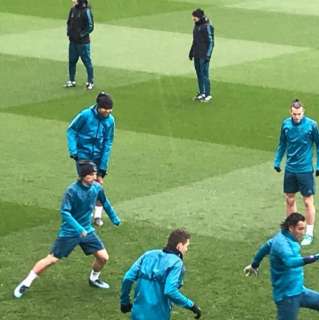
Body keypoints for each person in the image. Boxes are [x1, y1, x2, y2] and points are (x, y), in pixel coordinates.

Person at [13, 161, 121, 298]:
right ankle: (26, 282)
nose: (94, 177)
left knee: (103, 257)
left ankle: (94, 279)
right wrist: (78, 228)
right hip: (70, 232)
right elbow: (65, 212)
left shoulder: (97, 188)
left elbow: (105, 202)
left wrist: (114, 217)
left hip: (87, 230)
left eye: (94, 174)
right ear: (82, 175)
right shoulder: (72, 191)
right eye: (90, 174)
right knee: (52, 259)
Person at [243, 213, 319, 320]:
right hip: (287, 296)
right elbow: (290, 262)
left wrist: (254, 265)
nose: (303, 232)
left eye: (304, 229)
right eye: (300, 229)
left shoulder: (282, 237)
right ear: (291, 228)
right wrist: (316, 257)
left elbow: (265, 248)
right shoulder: (281, 243)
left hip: (299, 290)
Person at [274, 99, 319, 246]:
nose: (297, 117)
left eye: (299, 114)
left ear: (303, 112)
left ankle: (308, 232)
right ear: (291, 112)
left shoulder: (311, 125)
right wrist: (277, 161)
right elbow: (282, 143)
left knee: (308, 201)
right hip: (290, 168)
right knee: (289, 199)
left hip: (305, 170)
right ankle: (291, 230)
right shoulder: (286, 124)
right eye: (295, 114)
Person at [120, 229, 202, 320]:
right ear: (179, 246)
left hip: (137, 314)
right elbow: (170, 290)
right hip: (158, 315)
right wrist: (191, 305)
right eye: (186, 246)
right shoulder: (176, 263)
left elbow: (127, 278)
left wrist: (125, 302)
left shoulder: (148, 254)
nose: (186, 249)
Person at [67, 92, 115, 226]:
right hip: (83, 156)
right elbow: (71, 130)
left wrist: (103, 167)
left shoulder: (110, 121)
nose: (107, 112)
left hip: (99, 157)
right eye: (105, 109)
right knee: (90, 184)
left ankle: (95, 215)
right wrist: (74, 151)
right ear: (98, 107)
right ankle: (86, 215)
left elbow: (108, 142)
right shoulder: (85, 115)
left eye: (109, 109)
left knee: (97, 184)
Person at [65, 0, 95, 90]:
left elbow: (90, 26)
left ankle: (90, 81)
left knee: (87, 62)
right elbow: (69, 22)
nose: (73, 0)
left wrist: (81, 35)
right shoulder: (73, 10)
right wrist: (69, 32)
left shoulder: (86, 11)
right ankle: (72, 80)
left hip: (83, 43)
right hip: (73, 41)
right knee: (72, 61)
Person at [188, 8, 214, 103]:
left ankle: (208, 94)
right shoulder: (196, 26)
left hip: (204, 55)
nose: (193, 19)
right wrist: (191, 52)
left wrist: (208, 55)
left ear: (199, 17)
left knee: (205, 74)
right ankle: (202, 93)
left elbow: (211, 42)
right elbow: (195, 41)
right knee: (199, 74)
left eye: (194, 17)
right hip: (197, 54)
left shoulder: (207, 26)